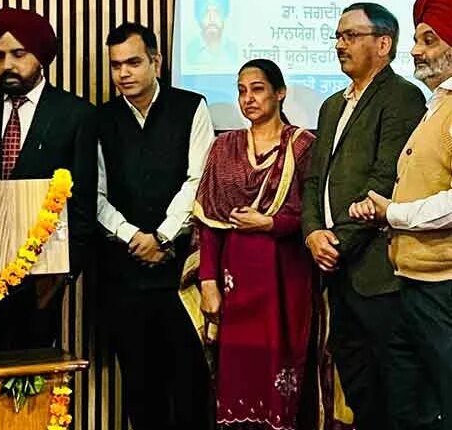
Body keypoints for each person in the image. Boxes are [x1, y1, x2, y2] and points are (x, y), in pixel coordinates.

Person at [301, 3, 426, 429]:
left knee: (395, 391)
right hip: (337, 273)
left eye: (351, 35)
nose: (340, 44)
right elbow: (314, 179)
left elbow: (387, 178)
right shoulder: (331, 106)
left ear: (384, 44)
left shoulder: (403, 96)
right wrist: (312, 233)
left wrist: (336, 242)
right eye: (337, 36)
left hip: (378, 271)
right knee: (357, 384)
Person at [0, 7, 97, 350]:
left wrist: (61, 275)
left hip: (40, 276)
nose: (7, 65)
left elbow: (83, 204)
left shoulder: (75, 114)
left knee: (32, 370)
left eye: (18, 54)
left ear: (41, 57)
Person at [97, 22, 214, 430]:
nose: (123, 73)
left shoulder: (191, 107)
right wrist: (134, 237)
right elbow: (95, 194)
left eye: (133, 62)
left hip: (179, 274)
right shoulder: (101, 119)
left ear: (156, 62)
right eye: (116, 66)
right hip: (123, 276)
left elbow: (198, 179)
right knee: (140, 390)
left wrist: (162, 236)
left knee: (190, 387)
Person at [195, 58, 315, 430]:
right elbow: (209, 221)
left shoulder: (303, 147)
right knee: (237, 375)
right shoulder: (224, 147)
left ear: (280, 93)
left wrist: (271, 223)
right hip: (236, 283)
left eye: (258, 89)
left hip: (285, 280)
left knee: (283, 372)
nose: (248, 98)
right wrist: (208, 283)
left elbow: (315, 216)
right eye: (241, 91)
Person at [349, 1, 452, 428]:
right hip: (411, 284)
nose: (415, 50)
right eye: (416, 39)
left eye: (429, 40)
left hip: (442, 288)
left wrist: (395, 213)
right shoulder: (437, 106)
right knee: (409, 409)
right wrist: (380, 211)